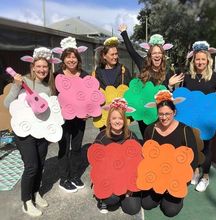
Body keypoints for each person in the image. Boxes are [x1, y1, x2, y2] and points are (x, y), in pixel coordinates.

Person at [4, 47, 59, 217]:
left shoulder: (49, 88)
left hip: (41, 132)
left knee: (41, 165)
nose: (42, 69)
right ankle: (26, 202)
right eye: (39, 66)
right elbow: (7, 104)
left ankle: (36, 193)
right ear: (33, 67)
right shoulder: (24, 81)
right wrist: (16, 86)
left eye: (45, 67)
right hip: (24, 133)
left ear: (49, 68)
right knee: (31, 166)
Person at [184, 41, 216, 192]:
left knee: (206, 148)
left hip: (207, 120)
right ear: (193, 60)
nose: (200, 62)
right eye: (197, 59)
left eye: (203, 59)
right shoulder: (187, 77)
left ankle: (205, 176)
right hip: (191, 119)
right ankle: (195, 171)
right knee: (192, 146)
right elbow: (182, 96)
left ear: (208, 60)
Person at [118, 24, 183, 137]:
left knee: (160, 141)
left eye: (159, 53)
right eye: (154, 53)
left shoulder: (168, 71)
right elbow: (131, 51)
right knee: (147, 140)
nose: (157, 56)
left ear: (163, 55)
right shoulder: (143, 65)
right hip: (145, 113)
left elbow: (169, 96)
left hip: (161, 115)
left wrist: (170, 86)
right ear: (150, 55)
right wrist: (124, 32)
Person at [143, 90, 198, 217]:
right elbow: (145, 156)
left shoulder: (185, 130)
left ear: (174, 112)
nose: (164, 117)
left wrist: (182, 182)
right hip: (156, 176)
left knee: (170, 211)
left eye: (167, 113)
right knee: (146, 204)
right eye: (161, 114)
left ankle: (173, 197)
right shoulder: (150, 130)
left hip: (176, 178)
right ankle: (159, 193)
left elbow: (193, 160)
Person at [92, 98, 141, 215]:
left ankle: (124, 193)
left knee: (132, 209)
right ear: (109, 119)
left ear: (124, 120)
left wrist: (131, 185)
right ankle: (103, 199)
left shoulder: (131, 136)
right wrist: (97, 181)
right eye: (114, 118)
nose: (117, 121)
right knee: (111, 199)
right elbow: (95, 162)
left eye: (120, 118)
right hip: (108, 178)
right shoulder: (101, 137)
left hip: (127, 177)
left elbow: (138, 162)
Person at [53, 36, 89, 193]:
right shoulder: (56, 76)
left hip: (79, 119)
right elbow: (52, 97)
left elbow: (90, 96)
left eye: (74, 57)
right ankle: (64, 178)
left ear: (78, 58)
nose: (71, 60)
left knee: (76, 147)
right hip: (62, 118)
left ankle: (74, 175)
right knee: (63, 147)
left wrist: (88, 111)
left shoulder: (84, 75)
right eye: (68, 57)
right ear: (63, 58)